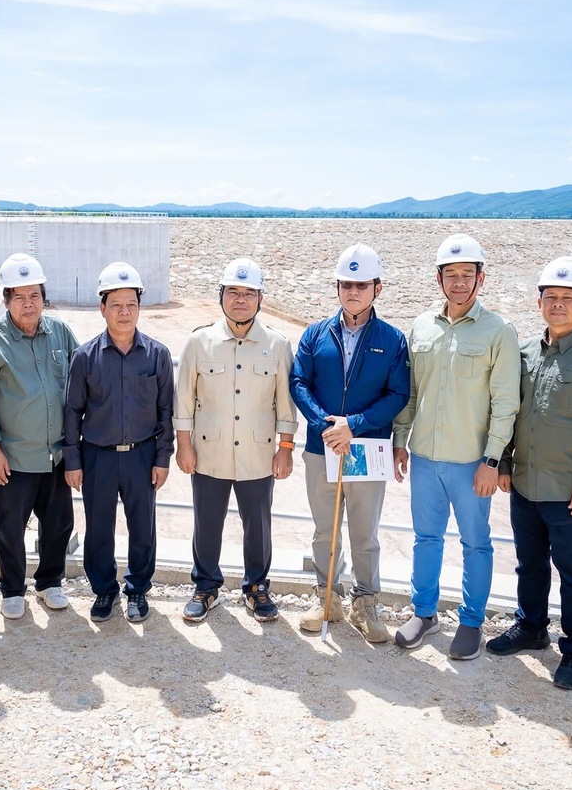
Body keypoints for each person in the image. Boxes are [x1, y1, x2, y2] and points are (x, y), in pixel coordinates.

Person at [485, 257, 572, 689]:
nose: (558, 304)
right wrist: (505, 463)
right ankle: (531, 627)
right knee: (529, 564)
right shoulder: (523, 352)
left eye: (568, 298)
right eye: (551, 297)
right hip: (524, 486)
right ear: (539, 301)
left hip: (569, 492)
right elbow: (509, 411)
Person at [392, 235, 518, 659]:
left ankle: (471, 621)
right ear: (439, 279)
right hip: (425, 457)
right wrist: (400, 441)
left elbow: (505, 403)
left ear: (481, 278)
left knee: (476, 543)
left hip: (471, 462)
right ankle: (424, 613)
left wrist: (491, 461)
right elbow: (412, 392)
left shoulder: (499, 331)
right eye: (451, 274)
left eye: (467, 274)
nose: (459, 282)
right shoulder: (421, 327)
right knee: (426, 539)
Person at [290, 243, 409, 643]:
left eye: (361, 285)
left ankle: (365, 602)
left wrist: (353, 426)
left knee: (364, 533)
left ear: (378, 288)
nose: (353, 291)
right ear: (337, 288)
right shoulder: (315, 334)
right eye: (346, 284)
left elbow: (397, 394)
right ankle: (326, 598)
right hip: (321, 447)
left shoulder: (392, 340)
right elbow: (299, 382)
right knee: (325, 530)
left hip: (367, 450)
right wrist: (327, 426)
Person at [174, 258, 297, 624]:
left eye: (248, 293)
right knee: (207, 522)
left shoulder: (277, 344)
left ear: (260, 299)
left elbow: (285, 403)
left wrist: (285, 449)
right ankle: (205, 586)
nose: (240, 300)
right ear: (221, 296)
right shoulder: (199, 342)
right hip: (208, 451)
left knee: (258, 525)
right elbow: (184, 399)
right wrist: (184, 444)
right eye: (233, 292)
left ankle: (256, 588)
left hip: (258, 454)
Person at [63, 262, 174, 624]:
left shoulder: (157, 355)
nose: (124, 312)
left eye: (131, 305)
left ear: (139, 308)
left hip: (142, 455)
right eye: (116, 305)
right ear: (102, 308)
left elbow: (166, 412)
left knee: (143, 527)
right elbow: (72, 411)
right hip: (98, 457)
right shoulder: (84, 357)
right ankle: (104, 590)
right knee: (98, 528)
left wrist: (162, 458)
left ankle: (137, 590)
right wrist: (72, 461)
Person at [0, 254, 79, 620]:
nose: (28, 303)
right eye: (19, 296)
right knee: (10, 527)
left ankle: (50, 582)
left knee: (59, 523)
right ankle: (13, 589)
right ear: (6, 301)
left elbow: (79, 382)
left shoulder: (60, 332)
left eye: (34, 295)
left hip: (55, 454)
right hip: (11, 457)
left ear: (44, 297)